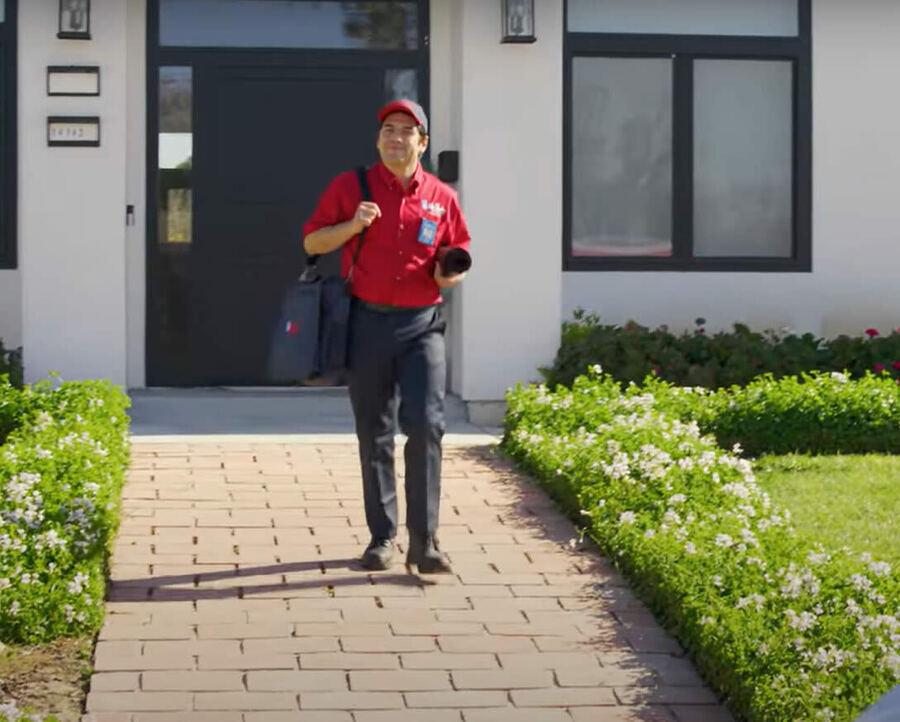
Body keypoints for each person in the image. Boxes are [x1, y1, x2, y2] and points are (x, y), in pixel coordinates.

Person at [302, 100, 471, 574]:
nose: (396, 138)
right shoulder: (350, 186)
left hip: (422, 325)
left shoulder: (442, 196)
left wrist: (448, 273)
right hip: (367, 321)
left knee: (426, 426)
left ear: (423, 142)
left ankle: (426, 542)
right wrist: (354, 224)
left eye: (406, 131)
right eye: (388, 130)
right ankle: (382, 537)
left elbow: (453, 264)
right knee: (374, 431)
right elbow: (311, 243)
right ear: (379, 139)